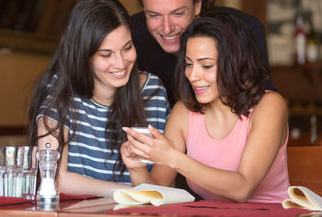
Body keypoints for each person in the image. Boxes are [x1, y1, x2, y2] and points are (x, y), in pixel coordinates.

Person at [121, 12, 289, 203]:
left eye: (206, 65)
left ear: (235, 63)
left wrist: (173, 158)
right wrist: (137, 168)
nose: (192, 76)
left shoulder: (270, 105)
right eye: (188, 64)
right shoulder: (184, 112)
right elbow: (157, 189)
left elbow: (243, 188)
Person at [27, 0, 170, 197]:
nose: (121, 63)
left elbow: (165, 183)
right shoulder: (60, 91)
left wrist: (145, 193)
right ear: (83, 55)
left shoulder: (153, 91)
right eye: (106, 54)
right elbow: (55, 178)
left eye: (127, 48)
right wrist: (133, 193)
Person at [131, 0, 274, 106]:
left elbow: (263, 106)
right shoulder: (129, 36)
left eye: (178, 13)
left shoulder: (245, 31)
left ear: (197, 3)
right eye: (154, 15)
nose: (167, 28)